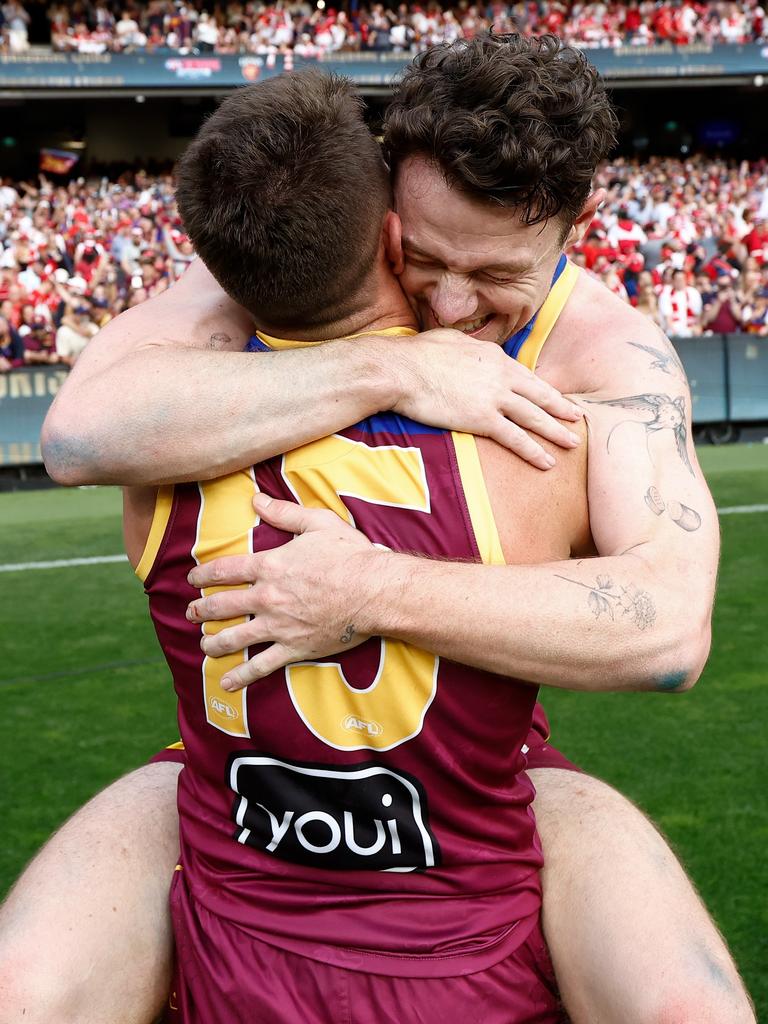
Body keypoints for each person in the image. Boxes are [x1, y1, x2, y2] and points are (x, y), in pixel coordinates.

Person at [7, 35, 753, 1024]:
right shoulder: (334, 247)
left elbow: (666, 625)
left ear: (579, 223)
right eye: (426, 257)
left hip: (484, 768)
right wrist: (392, 369)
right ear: (387, 207)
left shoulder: (606, 354)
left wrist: (371, 592)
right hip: (246, 777)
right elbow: (76, 433)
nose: (446, 304)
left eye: (490, 275)